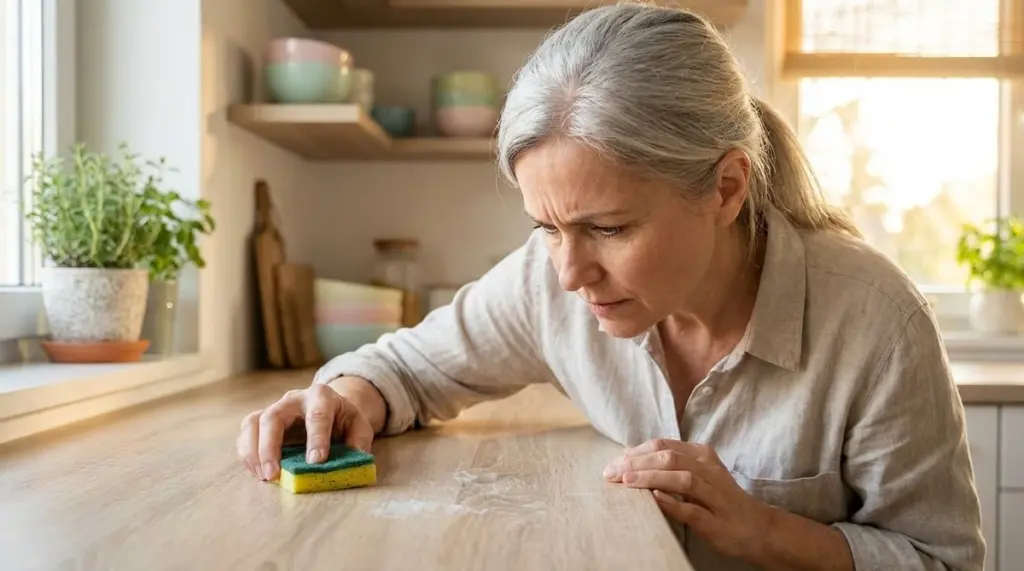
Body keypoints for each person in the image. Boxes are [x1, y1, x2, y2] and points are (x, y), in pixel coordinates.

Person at [236, 3, 985, 570]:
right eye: (546, 227)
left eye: (610, 228)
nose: (570, 273)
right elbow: (406, 368)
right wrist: (342, 397)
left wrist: (763, 529)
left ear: (726, 188)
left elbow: (942, 560)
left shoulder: (877, 322)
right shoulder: (549, 281)